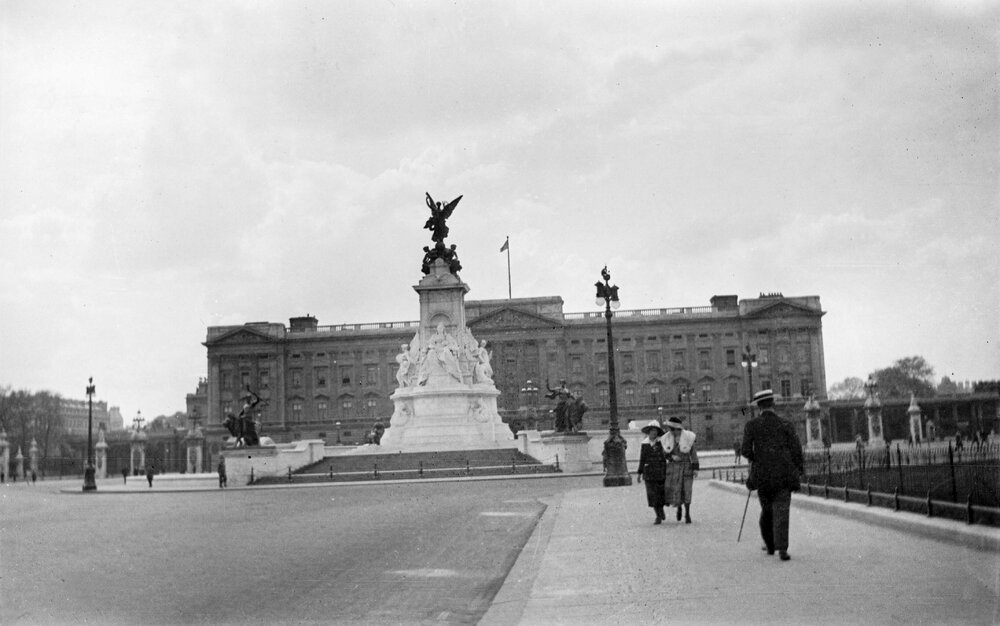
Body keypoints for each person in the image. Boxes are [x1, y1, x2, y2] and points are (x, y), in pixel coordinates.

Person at [742, 389, 804, 561]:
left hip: (763, 476)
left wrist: (758, 458)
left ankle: (770, 545)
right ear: (773, 404)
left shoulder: (751, 425)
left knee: (767, 510)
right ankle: (782, 549)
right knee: (782, 510)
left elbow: (745, 450)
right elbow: (796, 449)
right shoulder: (786, 424)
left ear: (759, 406)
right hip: (784, 474)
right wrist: (798, 469)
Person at [663, 416, 699, 523]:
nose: (671, 431)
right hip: (674, 467)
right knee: (676, 489)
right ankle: (679, 508)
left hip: (686, 467)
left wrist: (695, 468)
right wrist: (671, 457)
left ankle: (687, 513)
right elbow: (664, 453)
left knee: (687, 490)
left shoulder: (688, 438)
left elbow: (693, 453)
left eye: (672, 429)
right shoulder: (667, 438)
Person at [635, 420, 669, 524]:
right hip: (649, 473)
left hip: (660, 472)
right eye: (652, 430)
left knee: (660, 494)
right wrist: (639, 473)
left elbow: (666, 455)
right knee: (652, 495)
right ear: (648, 432)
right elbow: (642, 458)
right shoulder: (644, 444)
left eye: (655, 431)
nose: (653, 433)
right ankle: (657, 516)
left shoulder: (661, 443)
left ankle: (661, 509)